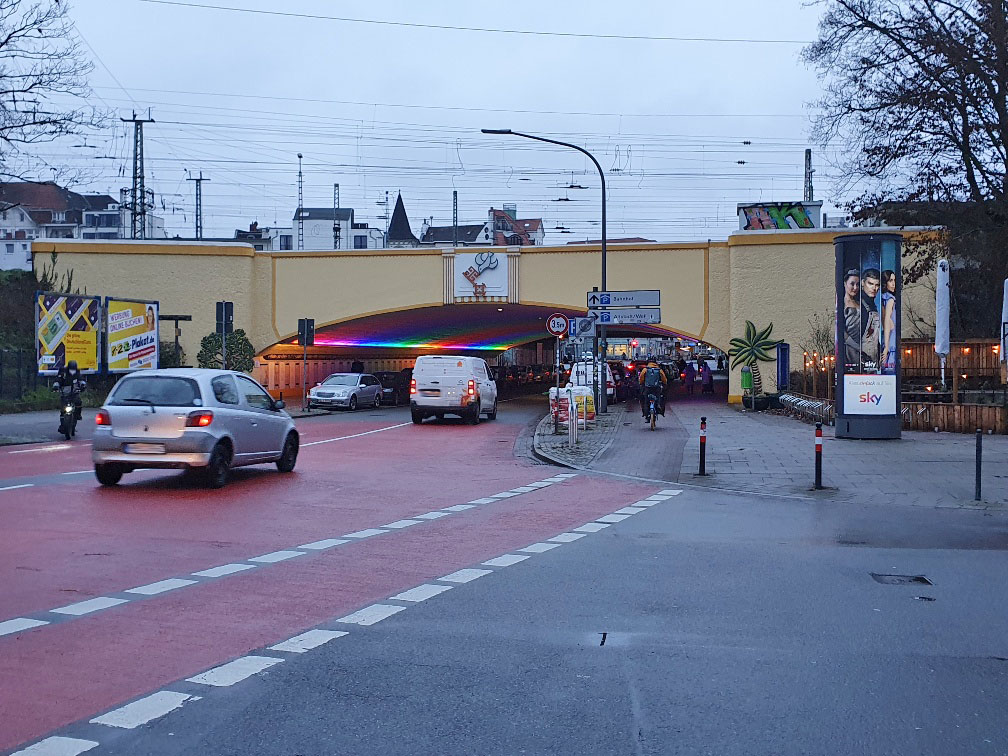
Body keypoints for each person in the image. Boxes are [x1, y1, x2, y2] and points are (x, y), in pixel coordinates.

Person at [860, 268, 882, 372]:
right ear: (862, 283)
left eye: (877, 285)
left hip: (871, 364)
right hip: (861, 366)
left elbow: (873, 336)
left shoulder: (872, 306)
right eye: (870, 284)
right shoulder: (859, 306)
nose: (874, 288)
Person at [54, 360, 85, 426]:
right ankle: (62, 423)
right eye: (71, 369)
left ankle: (78, 415)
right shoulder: (63, 371)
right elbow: (58, 379)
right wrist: (56, 386)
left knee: (78, 402)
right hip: (65, 393)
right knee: (63, 408)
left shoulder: (77, 372)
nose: (72, 371)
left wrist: (83, 385)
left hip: (74, 392)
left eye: (74, 369)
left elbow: (81, 379)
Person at [842, 269, 862, 369]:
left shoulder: (861, 303)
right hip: (850, 349)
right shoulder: (842, 304)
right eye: (852, 284)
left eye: (857, 284)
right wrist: (858, 347)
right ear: (845, 283)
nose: (855, 288)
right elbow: (842, 333)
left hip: (865, 348)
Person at [881, 270, 897, 374]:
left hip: (888, 338)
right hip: (890, 340)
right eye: (890, 281)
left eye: (894, 280)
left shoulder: (884, 298)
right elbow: (887, 320)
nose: (893, 284)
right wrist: (887, 346)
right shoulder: (890, 299)